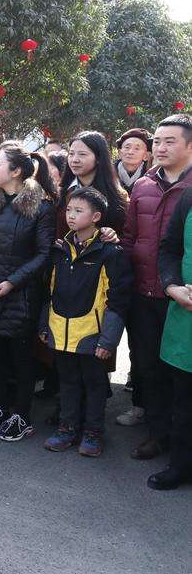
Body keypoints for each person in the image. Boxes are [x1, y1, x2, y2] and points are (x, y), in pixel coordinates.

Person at [0, 144, 55, 443]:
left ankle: (21, 413)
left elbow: (43, 254)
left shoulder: (41, 207)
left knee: (21, 356)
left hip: (21, 293)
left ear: (16, 171)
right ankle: (0, 406)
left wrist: (11, 283)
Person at [39, 187, 132, 456]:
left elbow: (118, 300)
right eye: (69, 209)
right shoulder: (59, 250)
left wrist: (109, 339)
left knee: (94, 384)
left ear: (96, 217)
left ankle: (93, 432)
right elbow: (48, 291)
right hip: (61, 330)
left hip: (92, 334)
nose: (71, 215)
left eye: (79, 211)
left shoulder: (109, 253)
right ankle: (67, 428)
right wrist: (44, 326)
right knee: (67, 381)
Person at [121, 114, 192, 461]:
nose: (160, 148)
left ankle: (182, 445)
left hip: (183, 298)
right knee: (148, 368)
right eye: (158, 142)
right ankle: (158, 434)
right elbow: (131, 237)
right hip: (145, 292)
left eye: (170, 141)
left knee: (181, 375)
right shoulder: (143, 185)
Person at [152, 186, 192, 489]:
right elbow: (169, 248)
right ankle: (180, 465)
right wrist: (171, 285)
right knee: (184, 400)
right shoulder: (188, 197)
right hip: (186, 313)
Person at [57, 132, 128, 238]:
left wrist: (112, 236)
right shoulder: (61, 191)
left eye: (82, 154)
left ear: (99, 158)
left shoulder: (118, 196)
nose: (74, 160)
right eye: (71, 154)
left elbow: (125, 234)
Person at [114, 128, 153, 194]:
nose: (130, 152)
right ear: (119, 153)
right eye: (127, 147)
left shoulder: (152, 176)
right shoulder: (107, 172)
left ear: (145, 156)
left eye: (137, 149)